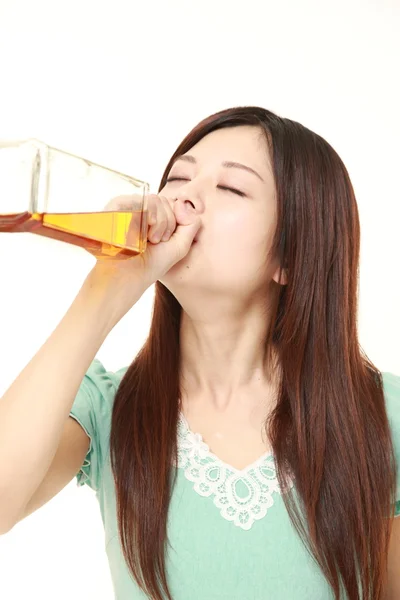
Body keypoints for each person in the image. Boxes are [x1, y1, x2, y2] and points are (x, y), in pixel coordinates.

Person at [0, 106, 399, 600]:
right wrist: (106, 286)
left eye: (230, 188)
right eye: (178, 178)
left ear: (291, 256)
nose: (184, 196)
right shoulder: (108, 408)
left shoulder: (382, 415)